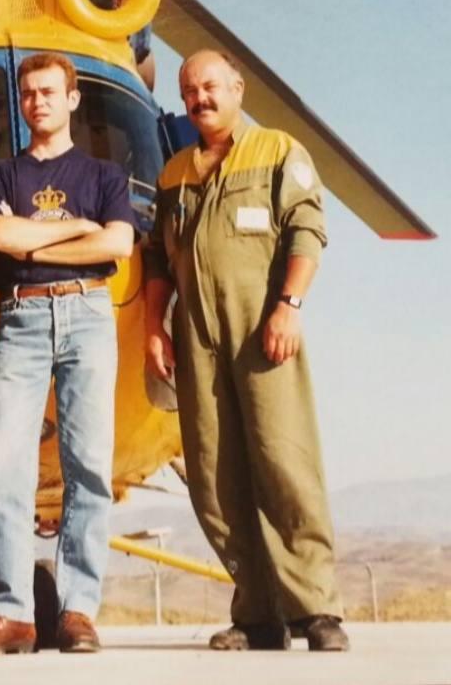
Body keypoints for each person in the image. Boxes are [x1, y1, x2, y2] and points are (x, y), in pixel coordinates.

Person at [143, 49, 349, 652]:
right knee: (212, 475)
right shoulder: (174, 171)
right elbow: (158, 256)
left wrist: (290, 306)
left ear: (238, 87)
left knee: (284, 461)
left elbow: (307, 229)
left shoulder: (278, 150)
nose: (198, 98)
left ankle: (315, 608)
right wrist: (155, 326)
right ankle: (258, 611)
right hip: (195, 336)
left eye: (210, 86)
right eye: (188, 90)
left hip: (262, 328)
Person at [0, 52, 135, 656]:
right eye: (29, 92)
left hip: (87, 313)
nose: (38, 102)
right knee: (7, 463)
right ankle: (11, 613)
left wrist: (40, 235)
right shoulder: (0, 175)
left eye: (49, 91)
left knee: (88, 463)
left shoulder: (105, 175)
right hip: (21, 314)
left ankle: (78, 610)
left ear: (72, 98)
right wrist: (77, 229)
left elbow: (121, 243)